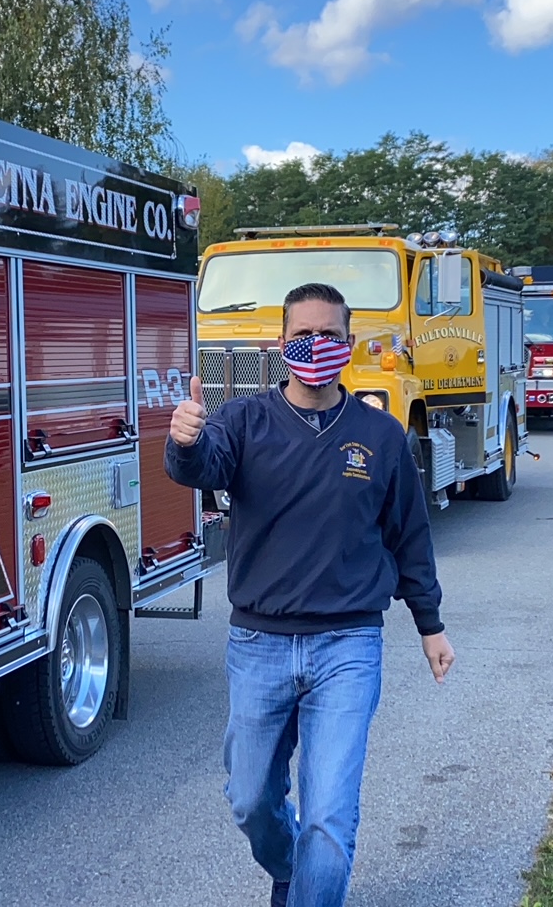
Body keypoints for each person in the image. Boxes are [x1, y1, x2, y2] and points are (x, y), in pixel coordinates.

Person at [165, 282, 454, 907]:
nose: (314, 345)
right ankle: (291, 872)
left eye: (328, 335)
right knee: (250, 801)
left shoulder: (379, 436)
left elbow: (409, 535)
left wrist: (430, 625)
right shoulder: (243, 421)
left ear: (348, 346)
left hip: (348, 647)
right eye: (302, 335)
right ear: (281, 344)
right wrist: (184, 440)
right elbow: (200, 468)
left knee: (329, 819)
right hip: (258, 644)